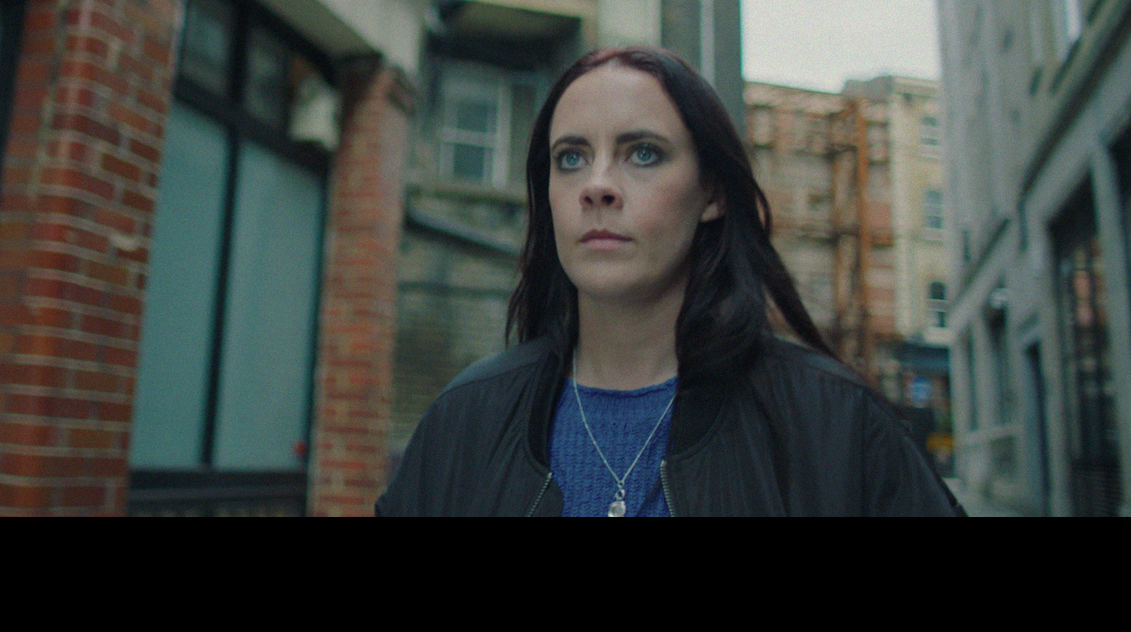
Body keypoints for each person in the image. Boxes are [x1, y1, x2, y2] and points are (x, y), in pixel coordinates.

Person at [376, 46, 962, 516]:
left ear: (710, 193)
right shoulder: (464, 422)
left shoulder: (839, 430)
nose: (597, 186)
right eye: (571, 158)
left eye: (644, 154)